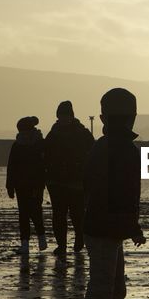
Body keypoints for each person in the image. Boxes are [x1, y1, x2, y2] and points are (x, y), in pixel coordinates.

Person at [62, 88, 147, 299]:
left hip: (105, 227)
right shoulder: (119, 150)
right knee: (101, 291)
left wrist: (129, 226)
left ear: (103, 117)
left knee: (114, 290)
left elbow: (105, 192)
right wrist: (130, 225)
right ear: (132, 117)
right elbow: (119, 195)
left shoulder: (106, 147)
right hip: (104, 229)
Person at [43, 100, 94, 255]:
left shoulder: (82, 133)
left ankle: (79, 239)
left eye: (65, 116)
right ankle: (62, 245)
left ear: (71, 116)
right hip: (56, 182)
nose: (63, 119)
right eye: (61, 116)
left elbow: (92, 155)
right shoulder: (53, 134)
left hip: (76, 182)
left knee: (77, 215)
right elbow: (45, 156)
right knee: (59, 215)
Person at [6, 115, 48, 255]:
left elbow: (43, 166)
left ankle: (38, 240)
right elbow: (11, 167)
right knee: (25, 214)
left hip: (34, 185)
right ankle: (28, 243)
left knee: (34, 212)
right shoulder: (19, 145)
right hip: (22, 185)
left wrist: (10, 185)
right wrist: (10, 186)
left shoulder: (38, 144)